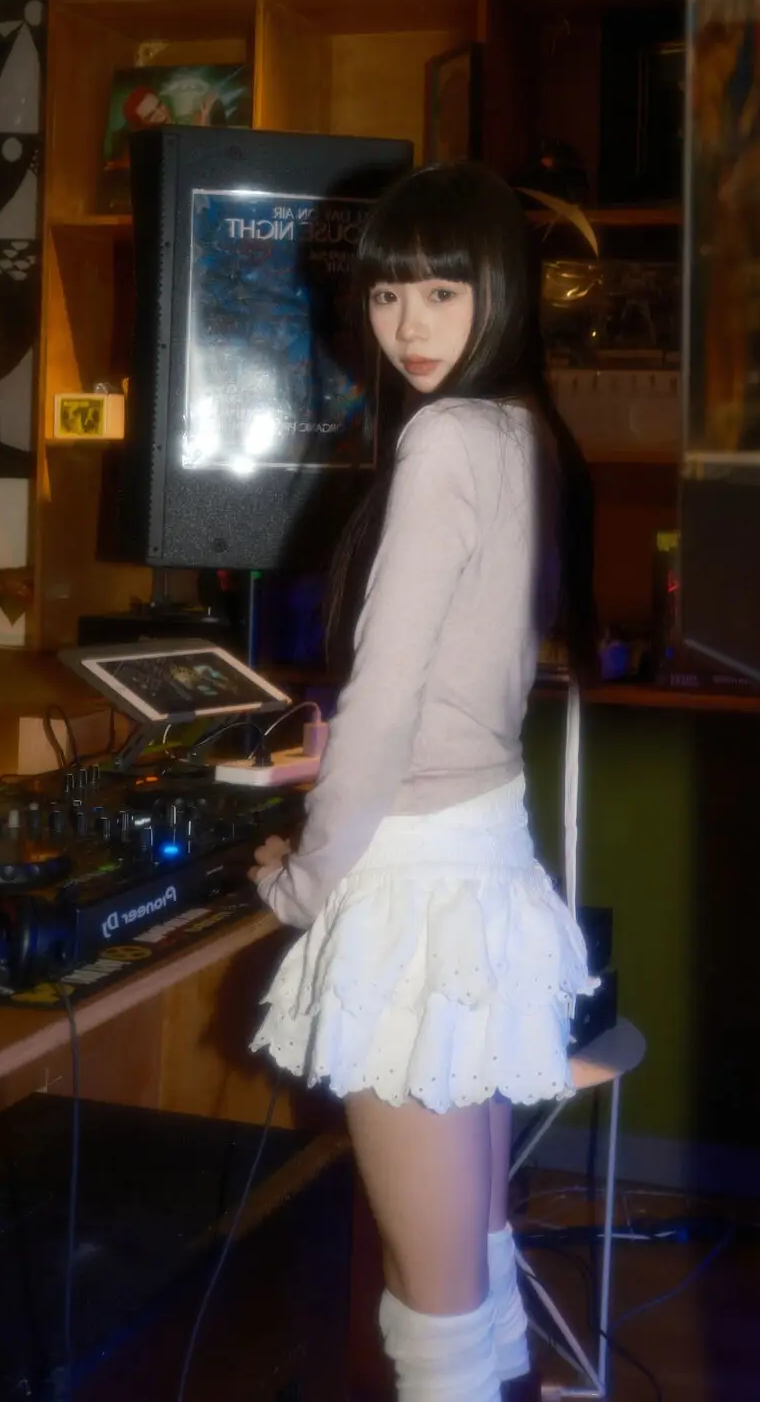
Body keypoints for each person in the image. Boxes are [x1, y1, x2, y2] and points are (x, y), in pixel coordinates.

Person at [249, 161, 597, 1402]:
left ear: (500, 292)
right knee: (478, 1276)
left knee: (433, 1317)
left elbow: (390, 696)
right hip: (481, 858)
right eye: (389, 294)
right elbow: (459, 686)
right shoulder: (517, 430)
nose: (409, 324)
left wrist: (303, 881)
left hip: (415, 885)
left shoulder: (445, 436)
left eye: (444, 292)